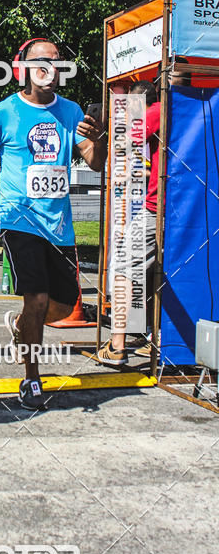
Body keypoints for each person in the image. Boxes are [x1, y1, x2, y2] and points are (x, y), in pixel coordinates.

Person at [0, 38, 107, 409]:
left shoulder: (71, 112)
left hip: (59, 224)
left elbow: (96, 163)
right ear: (22, 68)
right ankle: (32, 379)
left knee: (60, 307)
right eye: (42, 61)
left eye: (57, 62)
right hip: (18, 217)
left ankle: (21, 325)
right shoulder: (4, 112)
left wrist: (99, 138)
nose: (51, 67)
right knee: (37, 298)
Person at [96, 80, 160, 365]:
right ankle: (156, 339)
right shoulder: (187, 109)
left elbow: (127, 141)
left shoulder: (157, 111)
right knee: (159, 273)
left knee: (123, 265)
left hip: (155, 206)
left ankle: (117, 345)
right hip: (179, 207)